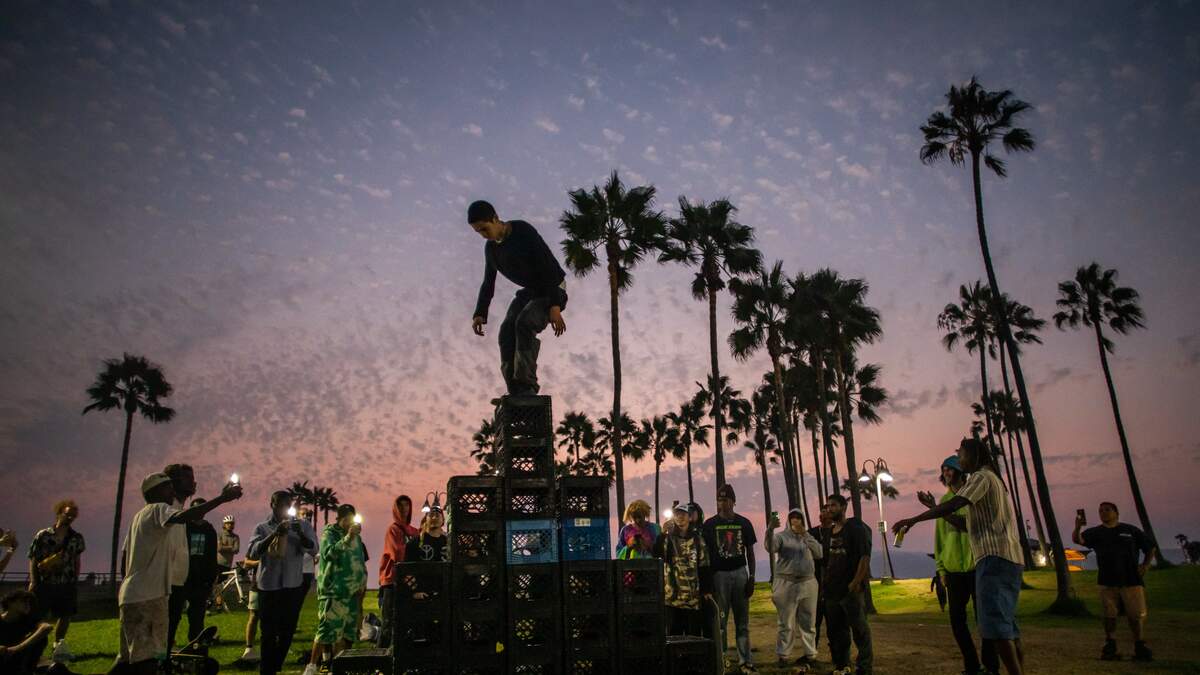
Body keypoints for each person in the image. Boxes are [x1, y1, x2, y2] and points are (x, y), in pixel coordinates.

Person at [893, 438, 1026, 675]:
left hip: (993, 558)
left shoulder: (980, 477)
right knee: (1006, 626)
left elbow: (954, 505)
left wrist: (913, 520)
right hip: (1007, 558)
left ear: (974, 455)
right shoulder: (992, 480)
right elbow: (965, 523)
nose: (960, 460)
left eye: (962, 455)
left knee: (995, 627)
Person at [115, 472, 242, 675]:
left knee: (127, 661)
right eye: (167, 487)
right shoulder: (158, 509)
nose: (172, 490)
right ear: (155, 492)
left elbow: (124, 558)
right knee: (147, 662)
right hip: (148, 597)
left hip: (132, 595)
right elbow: (184, 516)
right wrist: (221, 498)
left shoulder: (139, 517)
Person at [468, 199, 568, 395]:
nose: (483, 235)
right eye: (478, 232)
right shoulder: (491, 249)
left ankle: (527, 385)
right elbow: (488, 282)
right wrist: (480, 313)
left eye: (485, 229)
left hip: (552, 287)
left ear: (495, 218)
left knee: (524, 322)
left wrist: (555, 305)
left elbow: (546, 265)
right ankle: (515, 391)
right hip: (530, 291)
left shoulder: (522, 231)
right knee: (506, 331)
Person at [917, 454, 999, 675]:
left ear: (961, 472)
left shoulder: (972, 496)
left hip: (977, 567)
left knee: (984, 619)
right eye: (943, 469)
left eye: (950, 468)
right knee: (956, 621)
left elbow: (968, 526)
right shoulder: (945, 501)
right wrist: (941, 569)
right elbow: (940, 539)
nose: (946, 473)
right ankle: (971, 665)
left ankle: (991, 666)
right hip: (953, 571)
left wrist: (937, 509)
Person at [1072, 501, 1157, 662]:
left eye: (1107, 510)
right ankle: (1110, 644)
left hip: (1131, 579)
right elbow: (1078, 540)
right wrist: (1078, 526)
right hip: (1107, 580)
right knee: (1109, 614)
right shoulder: (1096, 532)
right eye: (1101, 511)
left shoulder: (1130, 530)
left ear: (1116, 513)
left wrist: (1145, 566)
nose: (1103, 513)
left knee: (1136, 614)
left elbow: (1150, 547)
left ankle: (1139, 645)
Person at [247, 491, 318, 675]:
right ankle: (267, 670)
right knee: (268, 632)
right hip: (269, 586)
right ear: (272, 505)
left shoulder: (302, 526)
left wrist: (300, 534)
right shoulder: (262, 527)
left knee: (287, 630)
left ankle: (275, 664)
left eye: (288, 504)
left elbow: (313, 549)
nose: (284, 508)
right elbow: (253, 552)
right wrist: (274, 534)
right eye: (280, 504)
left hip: (292, 585)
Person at [305, 505, 366, 675]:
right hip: (333, 591)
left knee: (347, 634)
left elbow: (359, 559)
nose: (349, 523)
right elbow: (329, 554)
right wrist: (347, 538)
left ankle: (338, 667)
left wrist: (362, 582)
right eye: (347, 520)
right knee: (327, 630)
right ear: (339, 519)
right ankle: (312, 666)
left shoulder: (356, 538)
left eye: (351, 519)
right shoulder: (329, 534)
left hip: (352, 592)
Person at [703, 484, 758, 673]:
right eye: (719, 500)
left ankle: (745, 661)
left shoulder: (744, 523)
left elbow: (750, 552)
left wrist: (752, 576)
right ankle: (722, 658)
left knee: (742, 621)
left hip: (740, 572)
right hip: (719, 575)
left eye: (725, 500)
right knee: (721, 621)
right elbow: (706, 555)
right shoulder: (710, 524)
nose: (722, 503)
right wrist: (709, 581)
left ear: (733, 501)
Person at [26, 499, 85, 664]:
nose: (70, 518)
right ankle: (33, 648)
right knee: (38, 616)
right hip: (44, 583)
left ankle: (58, 646)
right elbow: (33, 558)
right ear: (59, 513)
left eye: (73, 516)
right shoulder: (43, 535)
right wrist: (33, 581)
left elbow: (77, 560)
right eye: (68, 514)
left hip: (66, 583)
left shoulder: (76, 538)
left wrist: (75, 580)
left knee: (65, 615)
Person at [821, 495, 873, 675]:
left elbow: (864, 557)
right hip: (832, 591)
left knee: (859, 631)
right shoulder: (829, 532)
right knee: (837, 633)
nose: (829, 509)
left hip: (850, 590)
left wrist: (855, 582)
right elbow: (827, 561)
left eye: (833, 505)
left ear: (843, 507)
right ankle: (842, 667)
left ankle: (864, 667)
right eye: (828, 506)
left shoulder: (855, 528)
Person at [766, 507, 822, 670]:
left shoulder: (808, 537)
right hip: (786, 583)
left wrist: (805, 534)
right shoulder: (781, 536)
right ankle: (783, 656)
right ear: (788, 520)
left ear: (802, 520)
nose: (796, 520)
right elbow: (770, 547)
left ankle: (811, 655)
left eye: (799, 517)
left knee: (809, 622)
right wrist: (770, 529)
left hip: (808, 583)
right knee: (786, 623)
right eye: (793, 517)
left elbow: (819, 553)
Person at [654, 502, 713, 636]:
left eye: (683, 514)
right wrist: (662, 534)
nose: (680, 517)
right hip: (672, 598)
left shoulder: (698, 540)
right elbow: (656, 555)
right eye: (677, 514)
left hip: (693, 598)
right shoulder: (667, 539)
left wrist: (706, 590)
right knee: (674, 636)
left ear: (690, 518)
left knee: (693, 635)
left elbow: (704, 566)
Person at [168, 498, 219, 649]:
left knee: (197, 614)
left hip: (201, 578)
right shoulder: (183, 526)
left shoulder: (209, 529)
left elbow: (212, 555)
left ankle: (195, 643)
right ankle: (168, 644)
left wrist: (211, 577)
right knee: (174, 613)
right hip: (183, 576)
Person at [163, 464, 196, 650]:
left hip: (177, 585)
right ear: (173, 482)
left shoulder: (180, 511)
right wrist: (223, 499)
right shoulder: (165, 510)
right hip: (163, 586)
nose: (193, 482)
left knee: (168, 635)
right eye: (188, 478)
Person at [377, 495, 417, 649]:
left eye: (407, 505)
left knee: (404, 621)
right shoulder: (392, 530)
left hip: (407, 580)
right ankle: (381, 657)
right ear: (395, 508)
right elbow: (397, 553)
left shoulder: (412, 530)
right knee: (388, 622)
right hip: (392, 580)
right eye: (400, 505)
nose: (404, 508)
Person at [0, 590, 52, 675]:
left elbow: (47, 627)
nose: (28, 605)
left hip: (18, 660)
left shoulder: (28, 620)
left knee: (41, 638)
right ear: (10, 603)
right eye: (23, 601)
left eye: (29, 603)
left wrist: (16, 648)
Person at [807, 505, 832, 647]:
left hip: (833, 582)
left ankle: (837, 653)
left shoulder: (837, 532)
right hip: (814, 581)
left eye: (826, 512)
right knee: (813, 621)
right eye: (821, 512)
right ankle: (811, 652)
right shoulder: (811, 533)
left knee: (834, 623)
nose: (823, 515)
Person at [240, 559, 261, 663]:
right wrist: (260, 562)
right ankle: (249, 648)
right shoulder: (257, 547)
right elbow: (246, 563)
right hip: (257, 587)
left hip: (277, 586)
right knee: (254, 616)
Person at [296, 507, 317, 596]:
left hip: (308, 571)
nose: (306, 516)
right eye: (303, 514)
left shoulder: (311, 533)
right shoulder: (294, 531)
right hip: (297, 571)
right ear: (298, 516)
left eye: (308, 515)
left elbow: (315, 549)